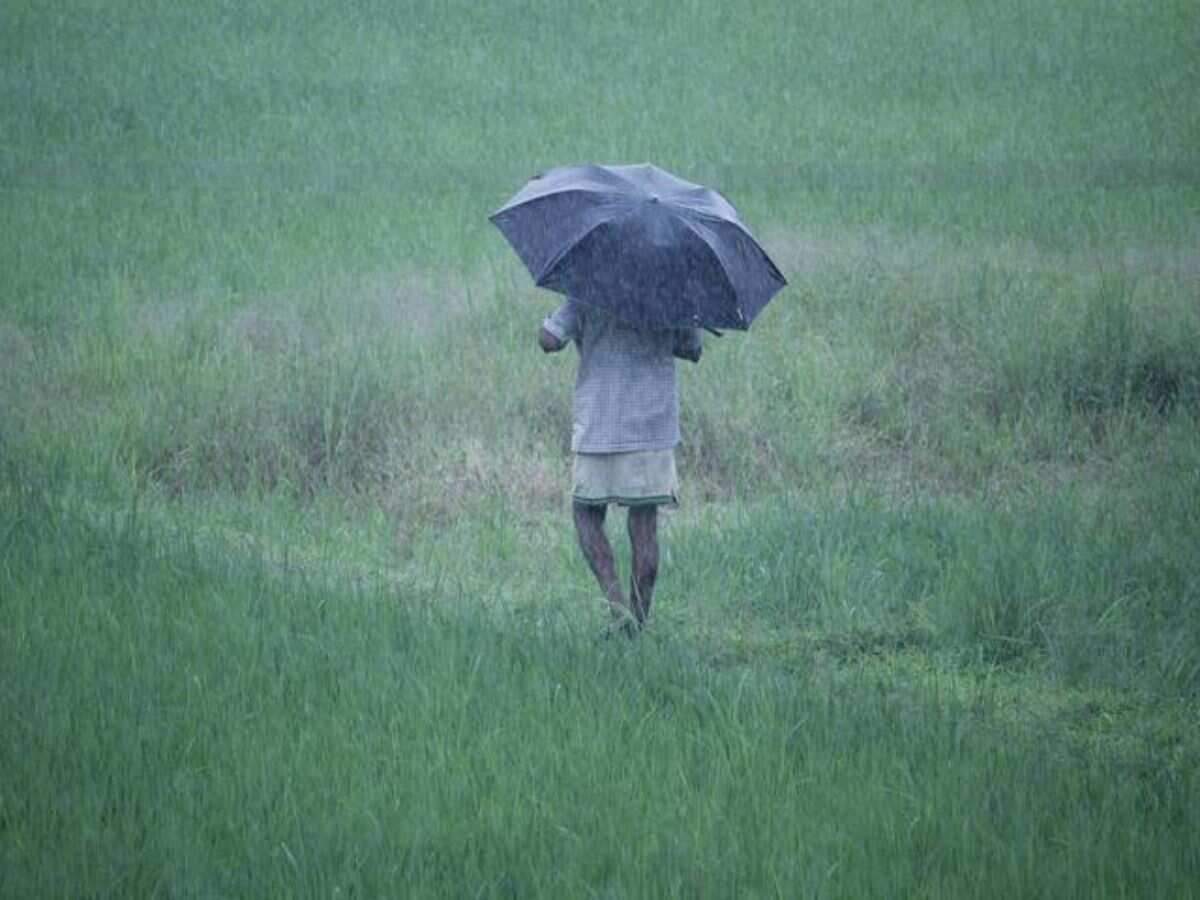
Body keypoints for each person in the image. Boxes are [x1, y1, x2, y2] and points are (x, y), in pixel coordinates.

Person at [538, 297, 702, 635]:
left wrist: (552, 322)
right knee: (644, 525)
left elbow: (549, 340)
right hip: (652, 427)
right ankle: (639, 625)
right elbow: (691, 349)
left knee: (586, 514)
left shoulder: (588, 290)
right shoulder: (670, 294)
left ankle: (617, 608)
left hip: (600, 423)